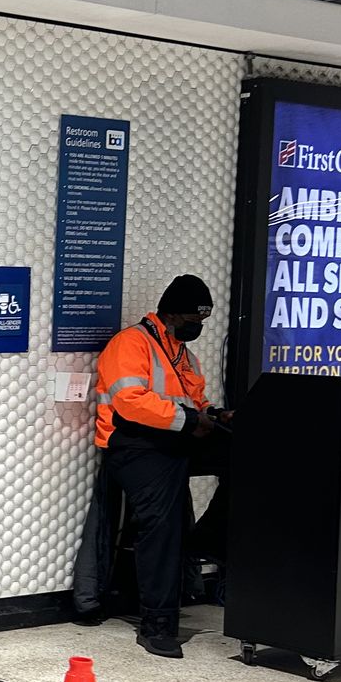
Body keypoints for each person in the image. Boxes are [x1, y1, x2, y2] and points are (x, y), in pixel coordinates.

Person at [71, 275, 232, 659]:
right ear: (171, 313)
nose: (197, 326)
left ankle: (208, 537)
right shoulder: (131, 343)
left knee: (249, 455)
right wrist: (190, 420)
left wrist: (215, 414)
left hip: (176, 439)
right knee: (163, 523)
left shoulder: (182, 354)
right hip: (134, 445)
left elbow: (194, 400)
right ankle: (157, 625)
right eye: (193, 319)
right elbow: (129, 401)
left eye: (202, 320)